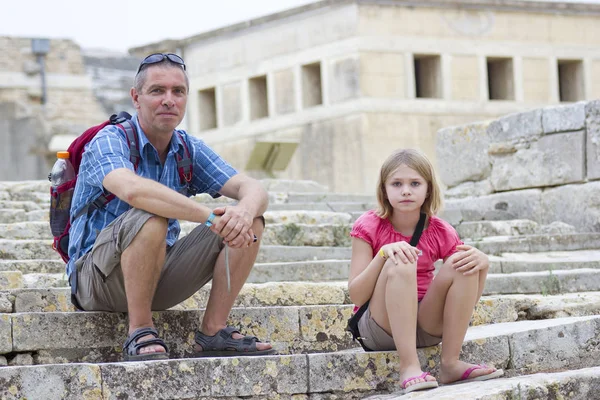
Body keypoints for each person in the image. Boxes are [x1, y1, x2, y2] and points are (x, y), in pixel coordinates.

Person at [67, 53, 275, 361]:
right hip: (96, 281)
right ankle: (139, 330)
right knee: (151, 215)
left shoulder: (186, 147)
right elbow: (134, 191)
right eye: (157, 91)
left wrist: (243, 212)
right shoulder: (109, 140)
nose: (169, 100)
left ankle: (213, 331)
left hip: (155, 276)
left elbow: (253, 188)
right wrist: (207, 217)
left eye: (178, 92)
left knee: (252, 219)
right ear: (136, 98)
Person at [348, 148, 503, 394]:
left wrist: (482, 264)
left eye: (415, 183)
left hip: (427, 325)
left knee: (465, 262)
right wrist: (383, 255)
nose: (406, 190)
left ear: (428, 189)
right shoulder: (369, 225)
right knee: (402, 259)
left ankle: (451, 363)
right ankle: (409, 366)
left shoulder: (441, 230)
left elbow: (467, 295)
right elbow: (356, 296)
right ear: (384, 190)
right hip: (379, 327)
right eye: (397, 183)